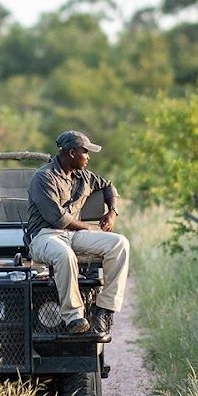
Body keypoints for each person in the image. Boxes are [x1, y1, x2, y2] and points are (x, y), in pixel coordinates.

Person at [26, 130, 128, 335]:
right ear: (72, 153)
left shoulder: (83, 176)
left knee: (119, 243)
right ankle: (74, 318)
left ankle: (104, 310)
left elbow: (109, 186)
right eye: (85, 151)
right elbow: (59, 219)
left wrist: (112, 213)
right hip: (45, 235)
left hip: (72, 236)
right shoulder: (43, 177)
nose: (88, 157)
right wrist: (90, 227)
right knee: (64, 254)